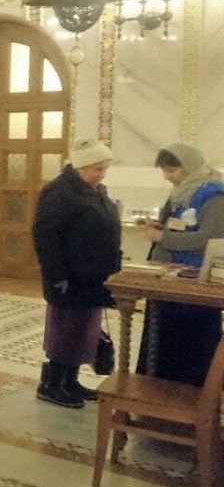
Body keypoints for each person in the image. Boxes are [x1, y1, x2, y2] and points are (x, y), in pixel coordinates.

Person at [31, 139, 121, 408]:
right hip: (69, 277)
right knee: (66, 331)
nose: (102, 174)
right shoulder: (58, 191)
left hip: (94, 278)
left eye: (104, 168)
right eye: (97, 169)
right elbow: (45, 235)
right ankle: (51, 385)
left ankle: (70, 381)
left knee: (85, 331)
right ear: (81, 167)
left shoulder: (96, 190)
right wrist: (58, 275)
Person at [137, 143, 224, 385]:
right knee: (161, 337)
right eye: (165, 171)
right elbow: (177, 225)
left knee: (188, 348)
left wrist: (164, 237)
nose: (168, 177)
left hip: (194, 282)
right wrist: (157, 226)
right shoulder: (181, 192)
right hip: (169, 277)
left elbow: (209, 239)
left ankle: (187, 400)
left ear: (189, 166)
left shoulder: (214, 195)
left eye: (172, 171)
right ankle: (154, 392)